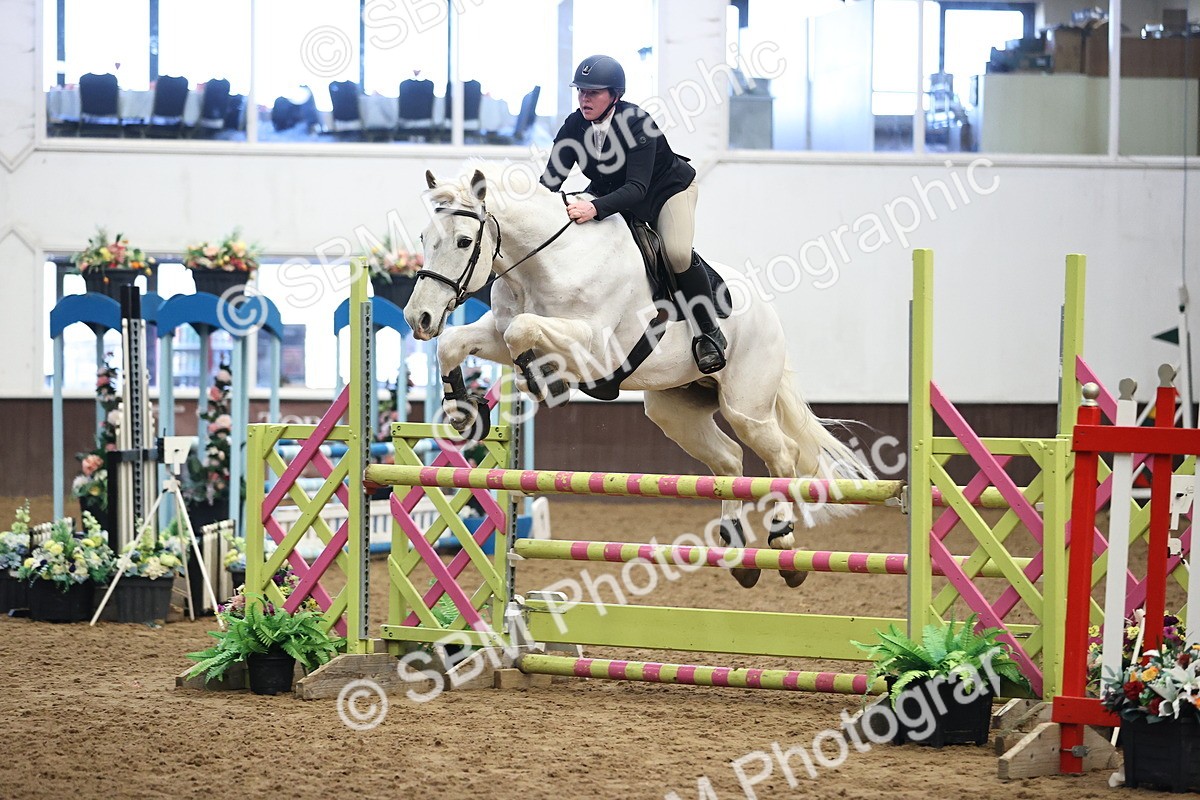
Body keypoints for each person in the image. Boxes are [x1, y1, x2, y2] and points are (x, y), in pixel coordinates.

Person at [539, 54, 726, 374]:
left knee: (677, 253)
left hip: (665, 191)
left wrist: (594, 207)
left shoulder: (637, 123)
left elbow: (637, 188)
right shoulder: (574, 125)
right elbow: (550, 182)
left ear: (615, 95)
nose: (584, 99)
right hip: (612, 190)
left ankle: (709, 332)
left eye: (593, 92)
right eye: (581, 91)